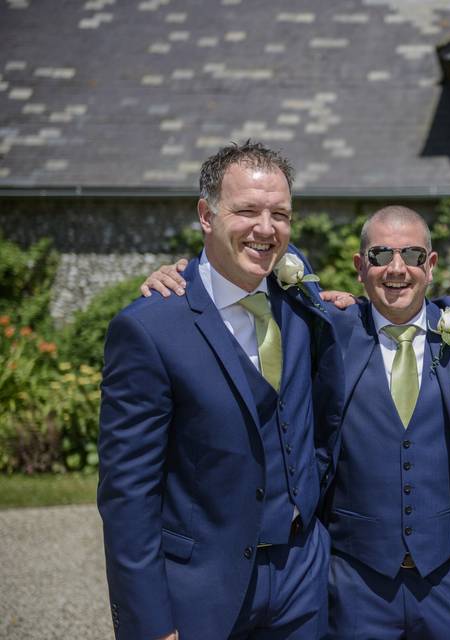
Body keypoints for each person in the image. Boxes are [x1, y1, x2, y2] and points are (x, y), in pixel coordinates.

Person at [98, 141, 335, 639]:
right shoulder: (150, 328)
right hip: (204, 589)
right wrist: (150, 623)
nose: (266, 229)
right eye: (246, 210)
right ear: (206, 215)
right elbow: (128, 494)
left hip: (303, 582)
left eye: (280, 214)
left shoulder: (300, 297)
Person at [312, 205, 450, 638]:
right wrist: (185, 272)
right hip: (356, 582)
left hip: (449, 580)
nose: (397, 269)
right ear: (360, 267)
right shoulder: (328, 332)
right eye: (380, 256)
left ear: (429, 266)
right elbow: (256, 277)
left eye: (412, 255)